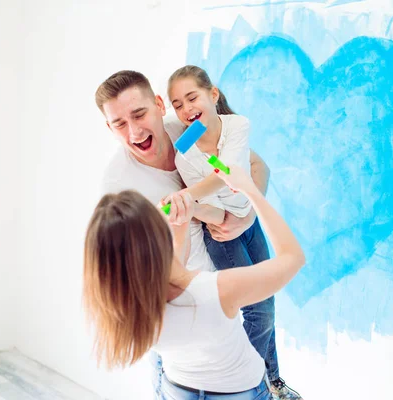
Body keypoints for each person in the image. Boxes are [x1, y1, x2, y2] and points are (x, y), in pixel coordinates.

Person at [95, 70, 303, 399]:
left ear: (160, 105)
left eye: (139, 114)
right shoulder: (120, 187)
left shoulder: (187, 130)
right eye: (119, 123)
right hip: (184, 323)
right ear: (109, 128)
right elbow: (146, 274)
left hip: (222, 301)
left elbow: (254, 166)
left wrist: (246, 213)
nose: (134, 131)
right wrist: (221, 212)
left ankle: (270, 381)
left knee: (261, 317)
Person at [82, 164, 305, 399]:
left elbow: (175, 263)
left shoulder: (131, 303)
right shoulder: (216, 291)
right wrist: (250, 190)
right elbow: (293, 258)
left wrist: (182, 222)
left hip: (177, 390)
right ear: (157, 238)